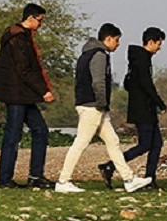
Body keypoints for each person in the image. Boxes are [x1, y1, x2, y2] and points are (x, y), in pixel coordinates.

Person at [55, 24, 153, 193]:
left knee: (113, 142)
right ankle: (63, 181)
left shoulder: (86, 54)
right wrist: (101, 104)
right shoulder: (99, 55)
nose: (118, 43)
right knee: (81, 143)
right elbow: (98, 82)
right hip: (93, 106)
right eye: (116, 40)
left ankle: (129, 179)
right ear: (108, 38)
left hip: (92, 106)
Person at [0, 3, 55, 189]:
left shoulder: (23, 37)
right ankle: (4, 179)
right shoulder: (18, 39)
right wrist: (44, 91)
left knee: (40, 130)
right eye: (40, 20)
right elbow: (24, 70)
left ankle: (35, 176)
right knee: (13, 136)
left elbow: (2, 66)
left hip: (23, 95)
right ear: (31, 18)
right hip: (17, 95)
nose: (41, 24)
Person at [101, 28, 167, 191]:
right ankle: (110, 166)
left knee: (157, 143)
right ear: (151, 42)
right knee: (145, 144)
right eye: (158, 44)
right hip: (143, 109)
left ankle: (150, 179)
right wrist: (160, 103)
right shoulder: (141, 60)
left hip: (145, 108)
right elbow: (146, 84)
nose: (159, 48)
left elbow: (128, 83)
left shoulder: (138, 59)